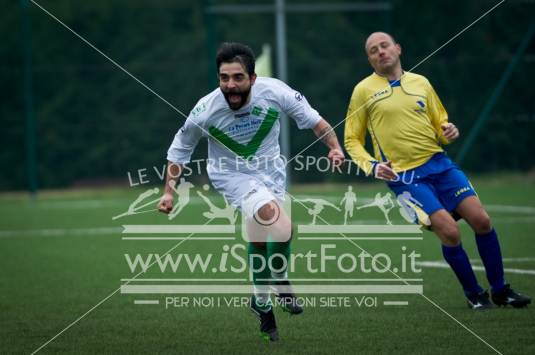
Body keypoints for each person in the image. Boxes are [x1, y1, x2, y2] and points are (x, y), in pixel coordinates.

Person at [158, 42, 345, 340]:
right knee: (282, 227)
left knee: (259, 240)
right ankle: (280, 280)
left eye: (237, 78)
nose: (230, 85)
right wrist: (169, 192)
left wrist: (335, 147)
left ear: (253, 78)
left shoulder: (275, 92)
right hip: (231, 176)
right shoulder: (206, 109)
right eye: (223, 78)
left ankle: (260, 302)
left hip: (271, 172)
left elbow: (315, 121)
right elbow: (180, 149)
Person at [344, 32, 531, 309]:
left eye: (384, 46)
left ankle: (501, 290)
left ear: (398, 48)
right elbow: (351, 140)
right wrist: (372, 165)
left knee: (481, 220)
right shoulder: (363, 90)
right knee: (450, 231)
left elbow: (440, 125)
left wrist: (448, 131)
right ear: (369, 59)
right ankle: (474, 295)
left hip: (440, 165)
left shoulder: (421, 83)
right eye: (373, 50)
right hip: (403, 177)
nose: (380, 52)